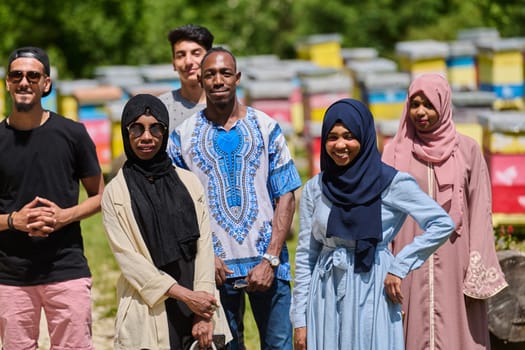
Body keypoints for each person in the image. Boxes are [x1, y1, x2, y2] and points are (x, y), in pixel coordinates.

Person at [291, 98, 456, 350]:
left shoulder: (392, 183)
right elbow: (305, 256)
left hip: (372, 288)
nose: (340, 145)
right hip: (325, 291)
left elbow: (441, 223)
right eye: (332, 137)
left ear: (365, 137)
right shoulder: (316, 188)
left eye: (349, 136)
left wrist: (400, 266)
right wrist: (300, 320)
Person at [168, 47, 302, 350]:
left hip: (268, 266)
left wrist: (271, 257)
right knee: (224, 346)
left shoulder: (267, 127)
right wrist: (204, 258)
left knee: (279, 345)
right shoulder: (182, 137)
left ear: (237, 77)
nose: (218, 80)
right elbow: (179, 207)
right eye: (210, 74)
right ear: (200, 81)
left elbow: (287, 196)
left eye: (225, 73)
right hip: (214, 271)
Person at [382, 73, 508, 350]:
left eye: (429, 104)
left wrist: (477, 269)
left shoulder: (467, 151)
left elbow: (480, 213)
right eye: (415, 104)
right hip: (406, 263)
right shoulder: (394, 152)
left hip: (456, 262)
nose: (421, 112)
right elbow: (382, 216)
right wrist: (388, 265)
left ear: (443, 103)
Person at [101, 94, 232, 349]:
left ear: (165, 131)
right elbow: (130, 261)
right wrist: (185, 296)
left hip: (198, 302)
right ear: (126, 133)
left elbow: (204, 247)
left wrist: (202, 310)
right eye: (136, 128)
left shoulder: (188, 182)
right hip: (149, 304)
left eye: (155, 128)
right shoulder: (115, 193)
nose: (146, 137)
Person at [0, 46, 104, 349]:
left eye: (33, 76)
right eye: (16, 75)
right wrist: (13, 220)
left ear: (46, 83)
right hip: (10, 276)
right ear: (7, 83)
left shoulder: (73, 134)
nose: (24, 82)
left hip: (66, 269)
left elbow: (100, 196)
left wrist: (64, 216)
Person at [159, 24, 214, 133]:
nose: (188, 61)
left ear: (210, 59)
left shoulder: (228, 107)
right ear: (174, 63)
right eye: (181, 55)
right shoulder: (160, 108)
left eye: (196, 54)